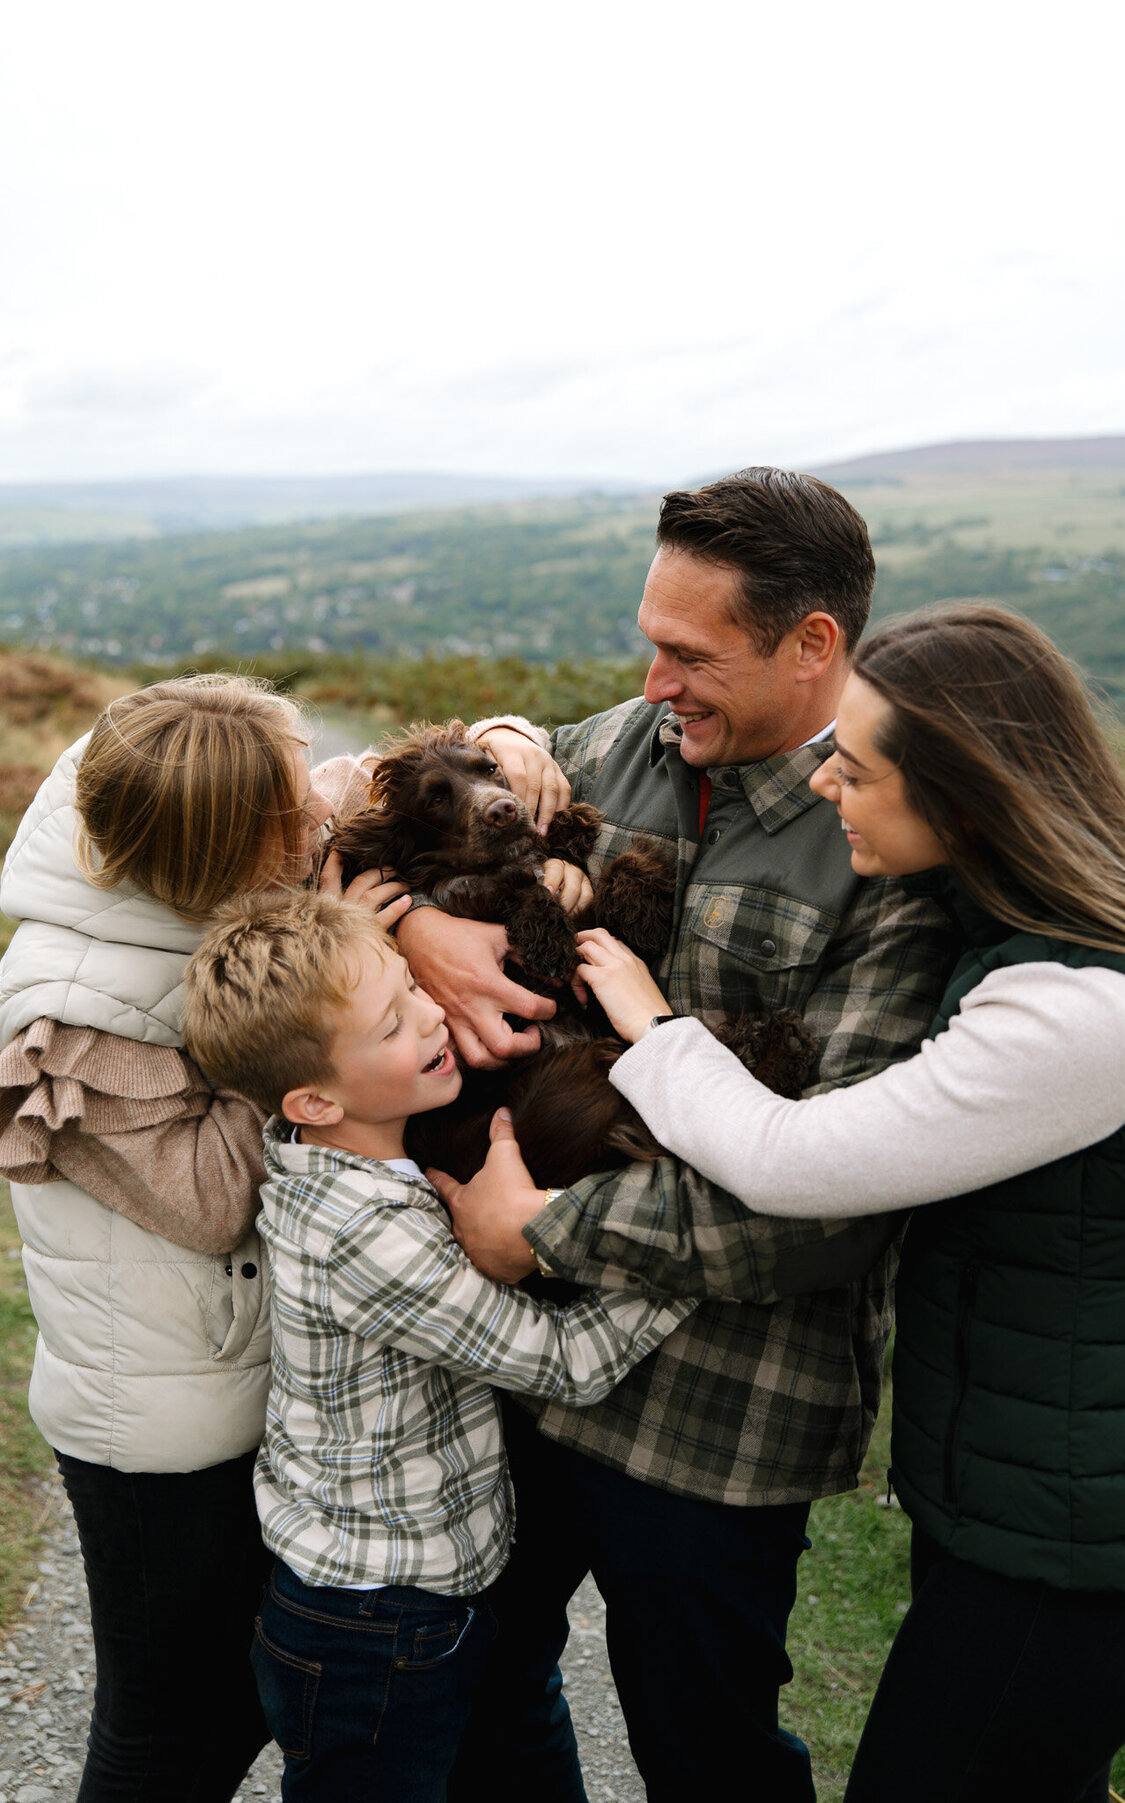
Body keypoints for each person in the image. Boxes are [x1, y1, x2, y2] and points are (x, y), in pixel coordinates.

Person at [560, 604, 1125, 1803]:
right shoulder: (1031, 936)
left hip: (1070, 1566)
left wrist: (650, 1023)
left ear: (963, 803)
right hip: (1031, 1521)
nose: (824, 790)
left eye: (851, 770)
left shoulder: (1075, 1015)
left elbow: (791, 1165)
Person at [398, 467, 957, 1800]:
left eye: (691, 651)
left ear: (812, 643)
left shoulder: (891, 848)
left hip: (720, 1409)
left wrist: (537, 1230)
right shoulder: (610, 749)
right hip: (510, 1373)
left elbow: (831, 1201)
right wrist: (410, 914)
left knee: (702, 1747)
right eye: (650, 637)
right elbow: (376, 832)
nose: (655, 679)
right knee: (481, 1695)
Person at [180, 888, 693, 1803]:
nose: (429, 1018)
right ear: (315, 1096)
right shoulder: (368, 1235)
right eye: (391, 1025)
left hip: (395, 1602)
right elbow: (567, 1362)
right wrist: (686, 1260)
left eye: (413, 989)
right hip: (376, 1626)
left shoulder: (330, 1156)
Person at [0, 676, 407, 1803]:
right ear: (223, 851)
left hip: (225, 1384)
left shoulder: (175, 873)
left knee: (231, 1704)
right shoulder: (76, 1006)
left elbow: (344, 788)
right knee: (167, 1732)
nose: (318, 821)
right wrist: (328, 1007)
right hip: (160, 1439)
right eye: (291, 818)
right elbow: (213, 1196)